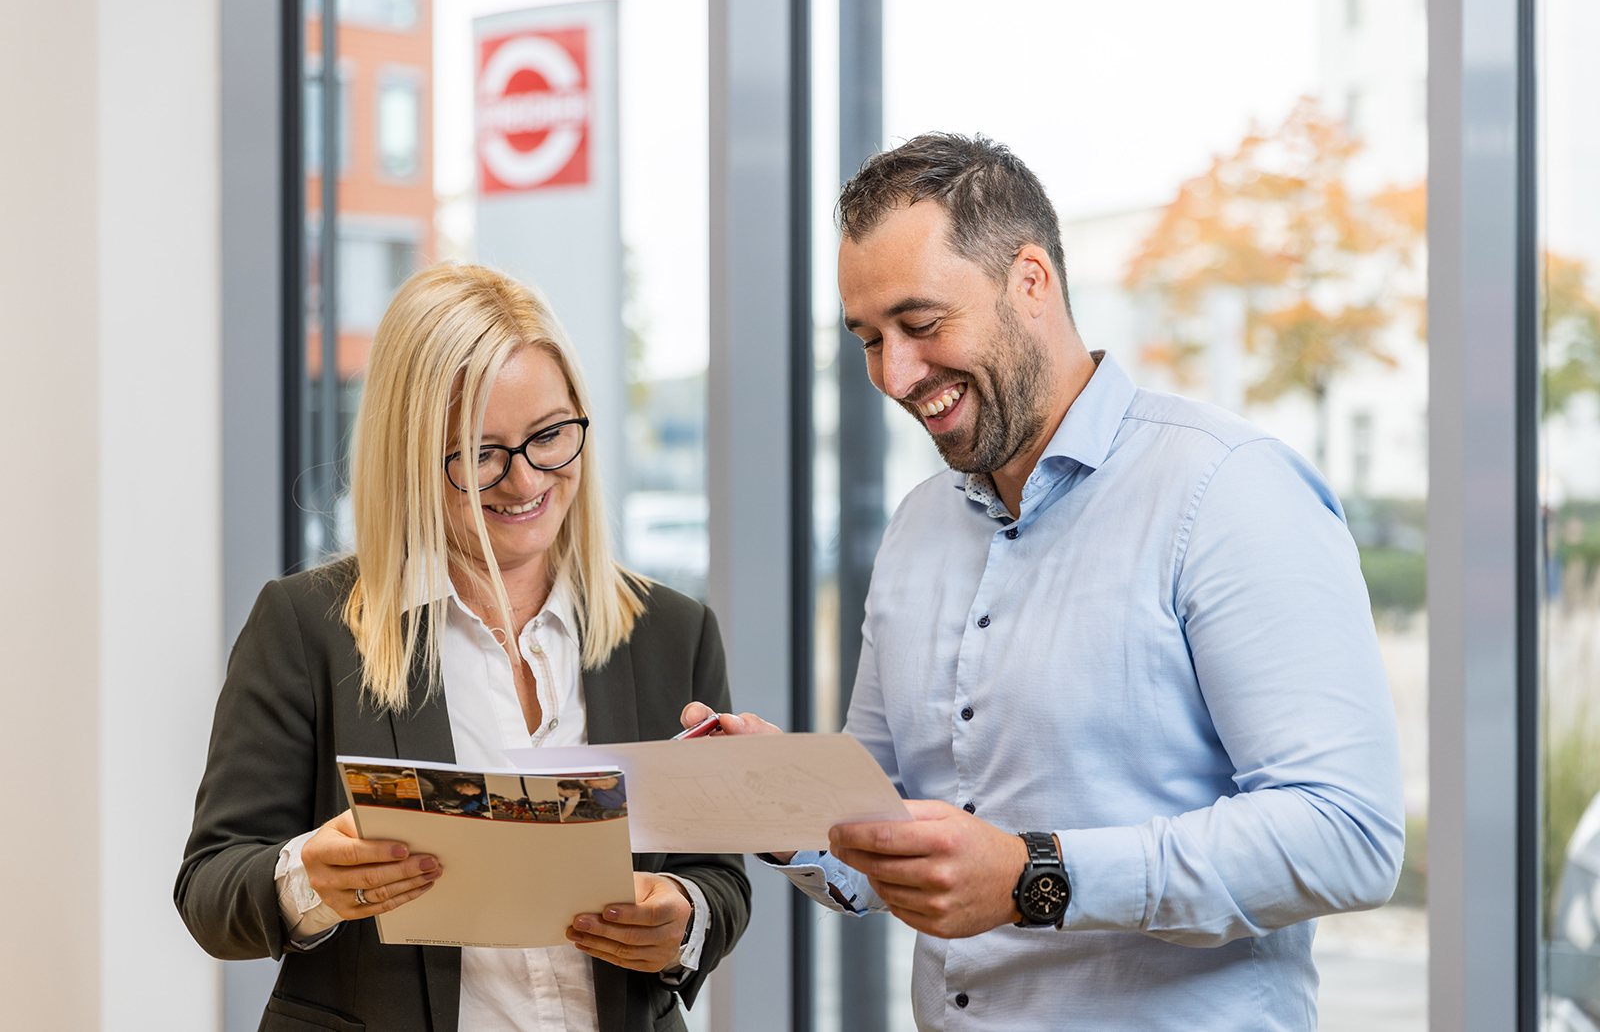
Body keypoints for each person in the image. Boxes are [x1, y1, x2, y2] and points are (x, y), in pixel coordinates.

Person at [683, 133, 1404, 1030]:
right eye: (870, 339)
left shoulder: (1226, 488)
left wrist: (1033, 876)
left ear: (1031, 282)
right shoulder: (917, 528)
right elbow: (883, 840)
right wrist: (780, 794)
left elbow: (1349, 835)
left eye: (921, 323)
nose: (896, 375)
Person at [177, 264, 749, 1032]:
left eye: (549, 435)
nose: (525, 481)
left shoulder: (669, 630)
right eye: (480, 454)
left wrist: (683, 917)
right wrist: (308, 878)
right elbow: (210, 889)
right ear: (409, 455)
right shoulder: (308, 626)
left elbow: (719, 877)